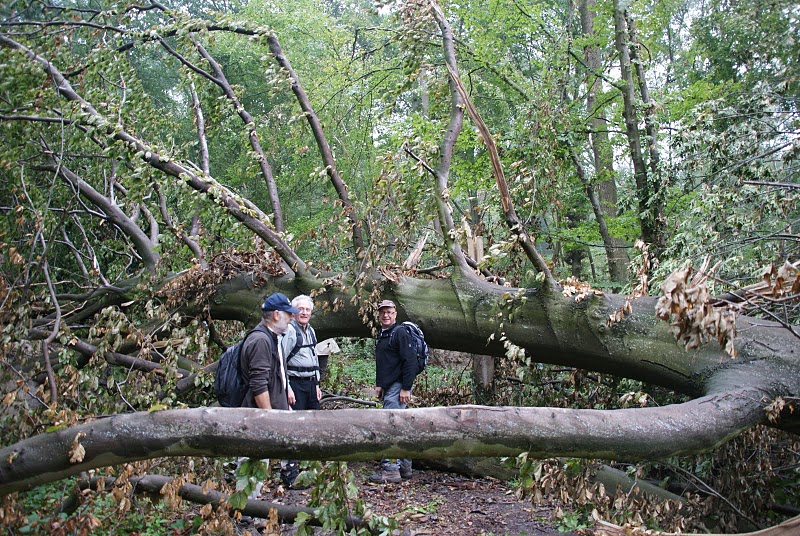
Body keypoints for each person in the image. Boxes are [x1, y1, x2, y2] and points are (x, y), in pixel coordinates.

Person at [236, 292, 298, 499]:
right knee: (251, 464)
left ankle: (247, 509)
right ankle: (244, 512)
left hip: (262, 416)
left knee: (258, 465)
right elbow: (258, 384)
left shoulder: (271, 338)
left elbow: (276, 377)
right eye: (289, 314)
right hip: (256, 418)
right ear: (277, 314)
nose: (292, 318)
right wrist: (268, 416)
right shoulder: (261, 340)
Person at [369, 299, 416, 483]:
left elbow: (410, 362)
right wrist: (380, 384)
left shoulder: (401, 333)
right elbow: (384, 363)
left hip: (398, 387)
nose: (385, 315)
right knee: (400, 424)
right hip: (389, 386)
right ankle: (405, 468)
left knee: (390, 425)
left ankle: (390, 469)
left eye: (389, 312)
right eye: (382, 312)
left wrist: (405, 388)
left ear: (395, 313)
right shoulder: (383, 334)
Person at [279, 294, 321, 487]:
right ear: (294, 312)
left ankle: (309, 471)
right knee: (293, 427)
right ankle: (290, 474)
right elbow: (280, 362)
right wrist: (287, 388)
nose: (304, 313)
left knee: (313, 426)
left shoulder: (310, 330)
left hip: (311, 385)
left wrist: (318, 384)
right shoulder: (289, 331)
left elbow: (314, 357)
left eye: (307, 310)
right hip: (295, 384)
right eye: (301, 309)